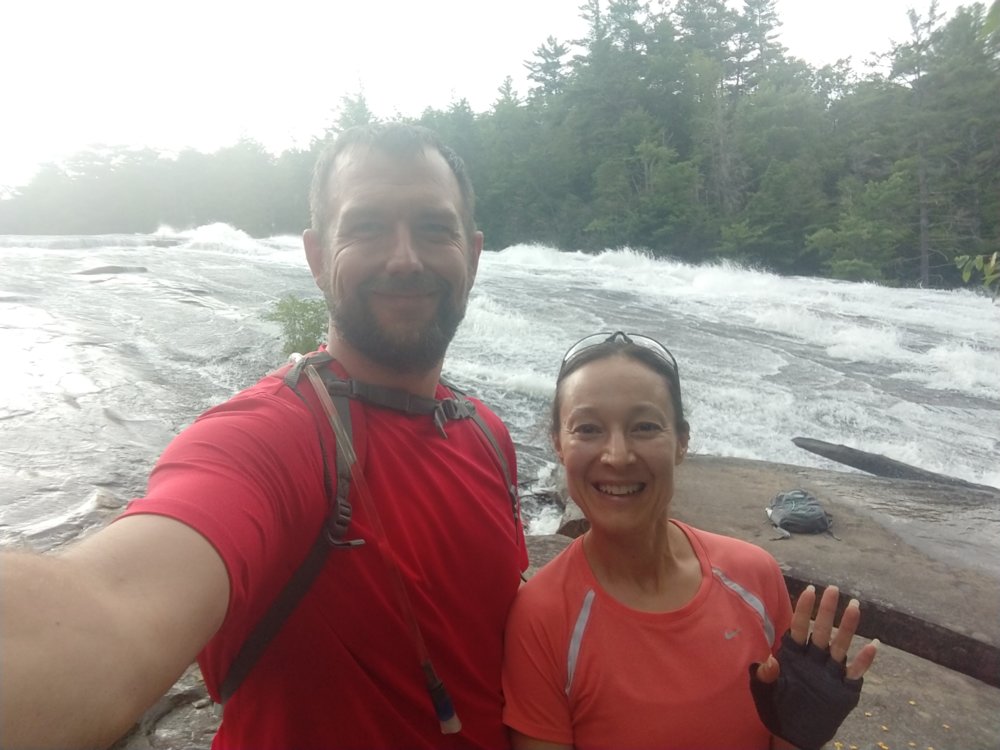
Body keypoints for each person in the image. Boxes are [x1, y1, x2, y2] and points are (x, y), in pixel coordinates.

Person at [0, 123, 527, 749]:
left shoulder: (486, 432)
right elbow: (106, 611)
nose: (405, 258)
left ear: (472, 254)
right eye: (366, 227)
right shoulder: (274, 437)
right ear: (316, 257)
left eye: (434, 228)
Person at [501, 331, 877, 750]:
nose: (618, 456)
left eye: (645, 427)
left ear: (682, 441)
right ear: (558, 444)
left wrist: (799, 736)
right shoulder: (542, 618)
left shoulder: (753, 577)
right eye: (588, 429)